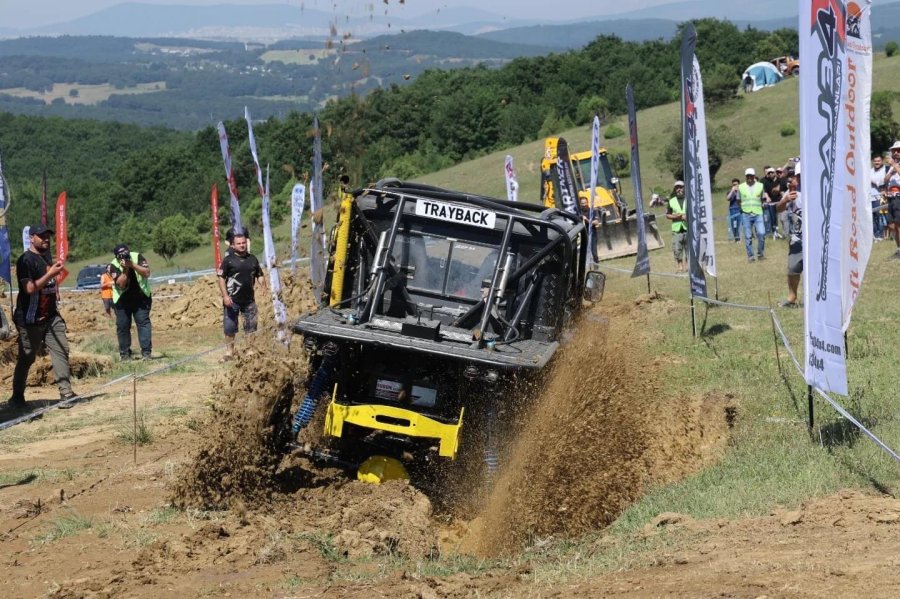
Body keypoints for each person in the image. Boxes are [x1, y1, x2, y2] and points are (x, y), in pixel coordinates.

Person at [8, 224, 76, 409]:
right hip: (30, 318)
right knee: (27, 358)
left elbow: (50, 282)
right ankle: (17, 397)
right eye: (41, 236)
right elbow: (29, 288)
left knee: (61, 348)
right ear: (31, 238)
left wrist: (55, 288)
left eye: (48, 236)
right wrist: (51, 274)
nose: (46, 239)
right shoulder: (25, 261)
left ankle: (66, 393)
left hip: (51, 315)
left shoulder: (46, 257)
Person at [216, 231, 266, 360]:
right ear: (233, 245)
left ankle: (250, 350)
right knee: (230, 327)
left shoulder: (252, 259)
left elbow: (259, 274)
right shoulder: (228, 261)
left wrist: (263, 285)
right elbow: (221, 278)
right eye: (239, 243)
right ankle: (229, 352)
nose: (242, 245)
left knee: (251, 326)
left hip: (249, 300)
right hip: (232, 300)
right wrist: (225, 296)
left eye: (244, 243)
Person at [109, 243, 153, 360]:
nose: (123, 256)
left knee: (143, 323)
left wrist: (132, 264)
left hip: (140, 297)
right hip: (122, 300)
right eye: (120, 255)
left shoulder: (137, 257)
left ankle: (146, 353)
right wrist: (125, 268)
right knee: (123, 326)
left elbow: (147, 273)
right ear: (116, 256)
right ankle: (125, 354)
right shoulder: (112, 265)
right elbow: (121, 284)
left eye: (125, 253)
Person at [776, 163, 803, 307]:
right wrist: (785, 200)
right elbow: (778, 209)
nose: (800, 178)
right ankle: (792, 297)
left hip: (817, 238)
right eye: (798, 175)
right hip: (798, 238)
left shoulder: (817, 188)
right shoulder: (792, 192)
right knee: (793, 268)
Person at [739, 167, 770, 262]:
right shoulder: (741, 187)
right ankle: (751, 256)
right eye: (747, 176)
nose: (749, 177)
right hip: (746, 213)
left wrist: (764, 204)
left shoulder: (760, 186)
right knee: (748, 236)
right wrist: (742, 208)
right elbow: (738, 200)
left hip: (758, 212)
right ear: (746, 176)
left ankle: (760, 254)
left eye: (751, 176)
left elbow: (763, 198)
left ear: (753, 176)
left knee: (761, 233)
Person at [666, 181, 687, 272]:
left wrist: (688, 216)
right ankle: (680, 267)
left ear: (684, 188)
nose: (679, 189)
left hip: (687, 228)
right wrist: (676, 216)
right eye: (677, 188)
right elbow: (667, 215)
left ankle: (688, 266)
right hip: (677, 229)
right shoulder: (671, 201)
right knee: (677, 248)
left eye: (681, 187)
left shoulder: (689, 199)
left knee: (688, 248)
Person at [762, 167, 785, 239]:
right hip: (771, 202)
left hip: (779, 201)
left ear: (774, 173)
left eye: (772, 172)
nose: (771, 174)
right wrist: (767, 197)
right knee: (773, 218)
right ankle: (775, 232)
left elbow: (782, 189)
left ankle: (784, 232)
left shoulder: (779, 180)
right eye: (769, 173)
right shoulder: (766, 182)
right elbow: (765, 191)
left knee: (781, 218)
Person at [578, 196, 600, 263]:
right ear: (580, 204)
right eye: (582, 203)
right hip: (582, 235)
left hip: (592, 234)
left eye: (585, 203)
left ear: (587, 202)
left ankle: (596, 266)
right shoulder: (579, 213)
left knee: (594, 252)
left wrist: (587, 220)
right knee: (584, 254)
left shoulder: (592, 211)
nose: (584, 205)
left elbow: (596, 222)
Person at [871, 154, 887, 241]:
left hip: (880, 197)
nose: (877, 162)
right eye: (875, 161)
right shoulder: (870, 171)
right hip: (870, 197)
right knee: (872, 217)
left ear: (882, 161)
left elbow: (881, 182)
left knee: (880, 217)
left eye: (878, 161)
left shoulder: (884, 170)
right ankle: (875, 235)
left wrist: (872, 180)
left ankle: (880, 235)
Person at [726, 178, 742, 242]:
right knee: (733, 224)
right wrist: (732, 191)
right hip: (732, 209)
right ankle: (736, 238)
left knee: (739, 224)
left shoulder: (741, 191)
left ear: (738, 185)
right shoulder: (730, 192)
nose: (735, 186)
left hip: (739, 209)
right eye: (733, 185)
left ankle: (739, 238)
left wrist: (738, 191)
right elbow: (727, 198)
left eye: (736, 184)